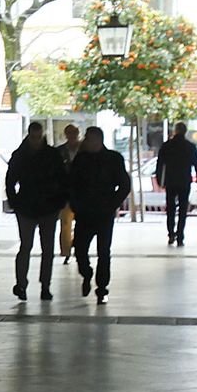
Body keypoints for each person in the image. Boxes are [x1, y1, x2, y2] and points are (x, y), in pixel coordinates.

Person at [3, 122, 68, 301]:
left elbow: (62, 180)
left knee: (45, 249)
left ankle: (44, 285)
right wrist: (15, 203)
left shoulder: (49, 155)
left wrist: (59, 201)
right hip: (29, 207)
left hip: (45, 207)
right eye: (34, 137)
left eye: (38, 137)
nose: (37, 140)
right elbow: (10, 181)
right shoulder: (23, 155)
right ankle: (23, 284)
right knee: (27, 247)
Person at [68, 126, 131, 305]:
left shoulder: (113, 159)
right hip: (84, 213)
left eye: (89, 138)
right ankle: (86, 273)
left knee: (104, 252)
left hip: (104, 213)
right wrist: (75, 205)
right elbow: (71, 184)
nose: (86, 141)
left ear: (98, 140)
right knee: (80, 249)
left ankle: (102, 288)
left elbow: (124, 185)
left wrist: (112, 203)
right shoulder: (81, 159)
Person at [155, 121, 197, 247]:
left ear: (175, 131)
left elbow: (160, 165)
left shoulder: (167, 146)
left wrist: (160, 181)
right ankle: (180, 235)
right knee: (182, 210)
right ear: (185, 132)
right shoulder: (190, 147)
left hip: (170, 181)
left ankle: (171, 234)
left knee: (170, 209)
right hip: (184, 181)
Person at [56, 123, 82, 263]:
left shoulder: (85, 150)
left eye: (74, 133)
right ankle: (66, 251)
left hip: (82, 194)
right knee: (65, 223)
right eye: (69, 133)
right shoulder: (59, 151)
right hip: (66, 194)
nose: (72, 136)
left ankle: (79, 248)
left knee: (82, 224)